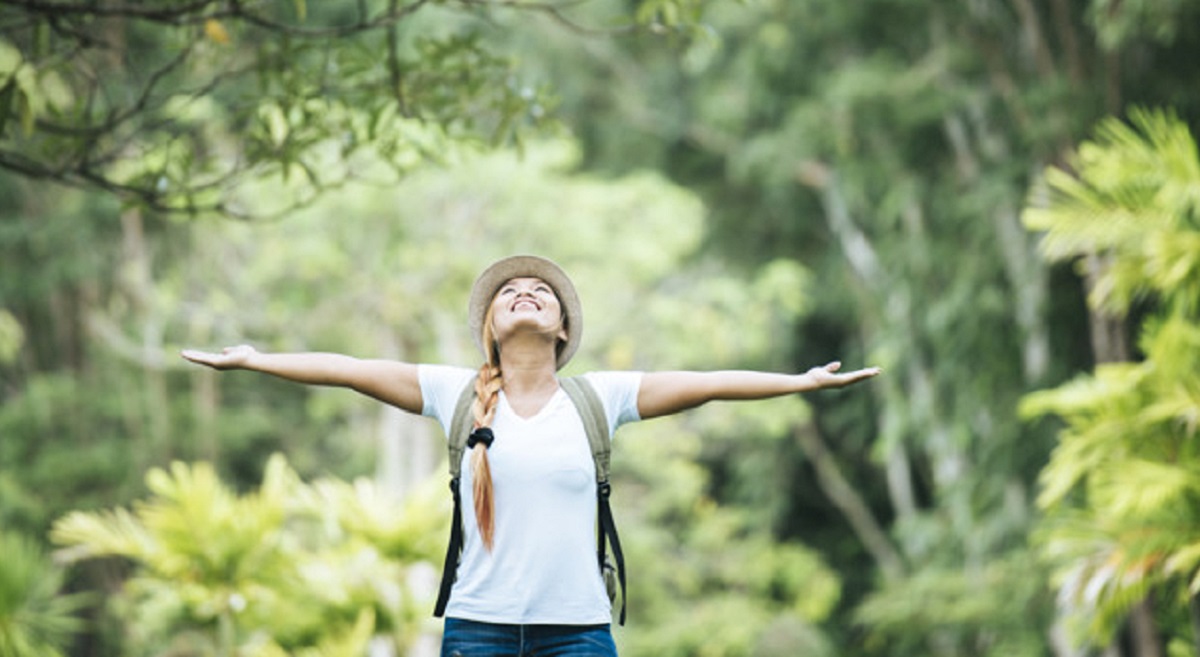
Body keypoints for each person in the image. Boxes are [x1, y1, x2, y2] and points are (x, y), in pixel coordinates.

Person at [181, 254, 880, 657]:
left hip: (577, 633)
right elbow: (348, 366)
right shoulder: (452, 391)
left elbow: (706, 384)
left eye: (540, 292)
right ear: (491, 326)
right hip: (476, 629)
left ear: (562, 328)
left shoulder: (597, 400)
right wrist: (257, 360)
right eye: (510, 293)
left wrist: (799, 381)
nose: (525, 294)